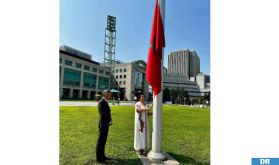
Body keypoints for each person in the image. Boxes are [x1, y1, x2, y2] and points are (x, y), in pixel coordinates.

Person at [96, 89, 112, 163]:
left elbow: (108, 113)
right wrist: (108, 121)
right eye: (109, 94)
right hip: (103, 125)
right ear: (105, 94)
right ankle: (99, 158)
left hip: (106, 124)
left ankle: (103, 156)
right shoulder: (101, 102)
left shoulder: (105, 102)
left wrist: (110, 120)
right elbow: (103, 115)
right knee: (100, 141)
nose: (110, 96)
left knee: (103, 141)